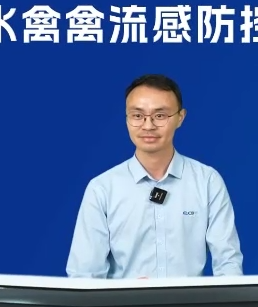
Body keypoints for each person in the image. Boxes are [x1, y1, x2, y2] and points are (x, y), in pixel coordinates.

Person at [66, 74, 243, 278]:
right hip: (122, 300)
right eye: (137, 115)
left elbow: (229, 263)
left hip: (191, 300)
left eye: (160, 116)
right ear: (126, 118)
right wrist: (126, 292)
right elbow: (85, 275)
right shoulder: (102, 189)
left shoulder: (207, 181)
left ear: (180, 117)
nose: (148, 126)